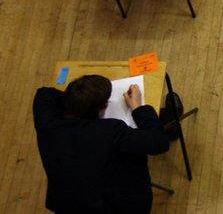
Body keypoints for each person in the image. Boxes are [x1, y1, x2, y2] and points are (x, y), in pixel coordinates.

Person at [33, 75, 170, 213]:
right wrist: (137, 107)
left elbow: (44, 93)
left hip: (68, 204)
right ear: (101, 108)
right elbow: (159, 142)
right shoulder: (110, 132)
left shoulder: (48, 126)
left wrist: (79, 99)